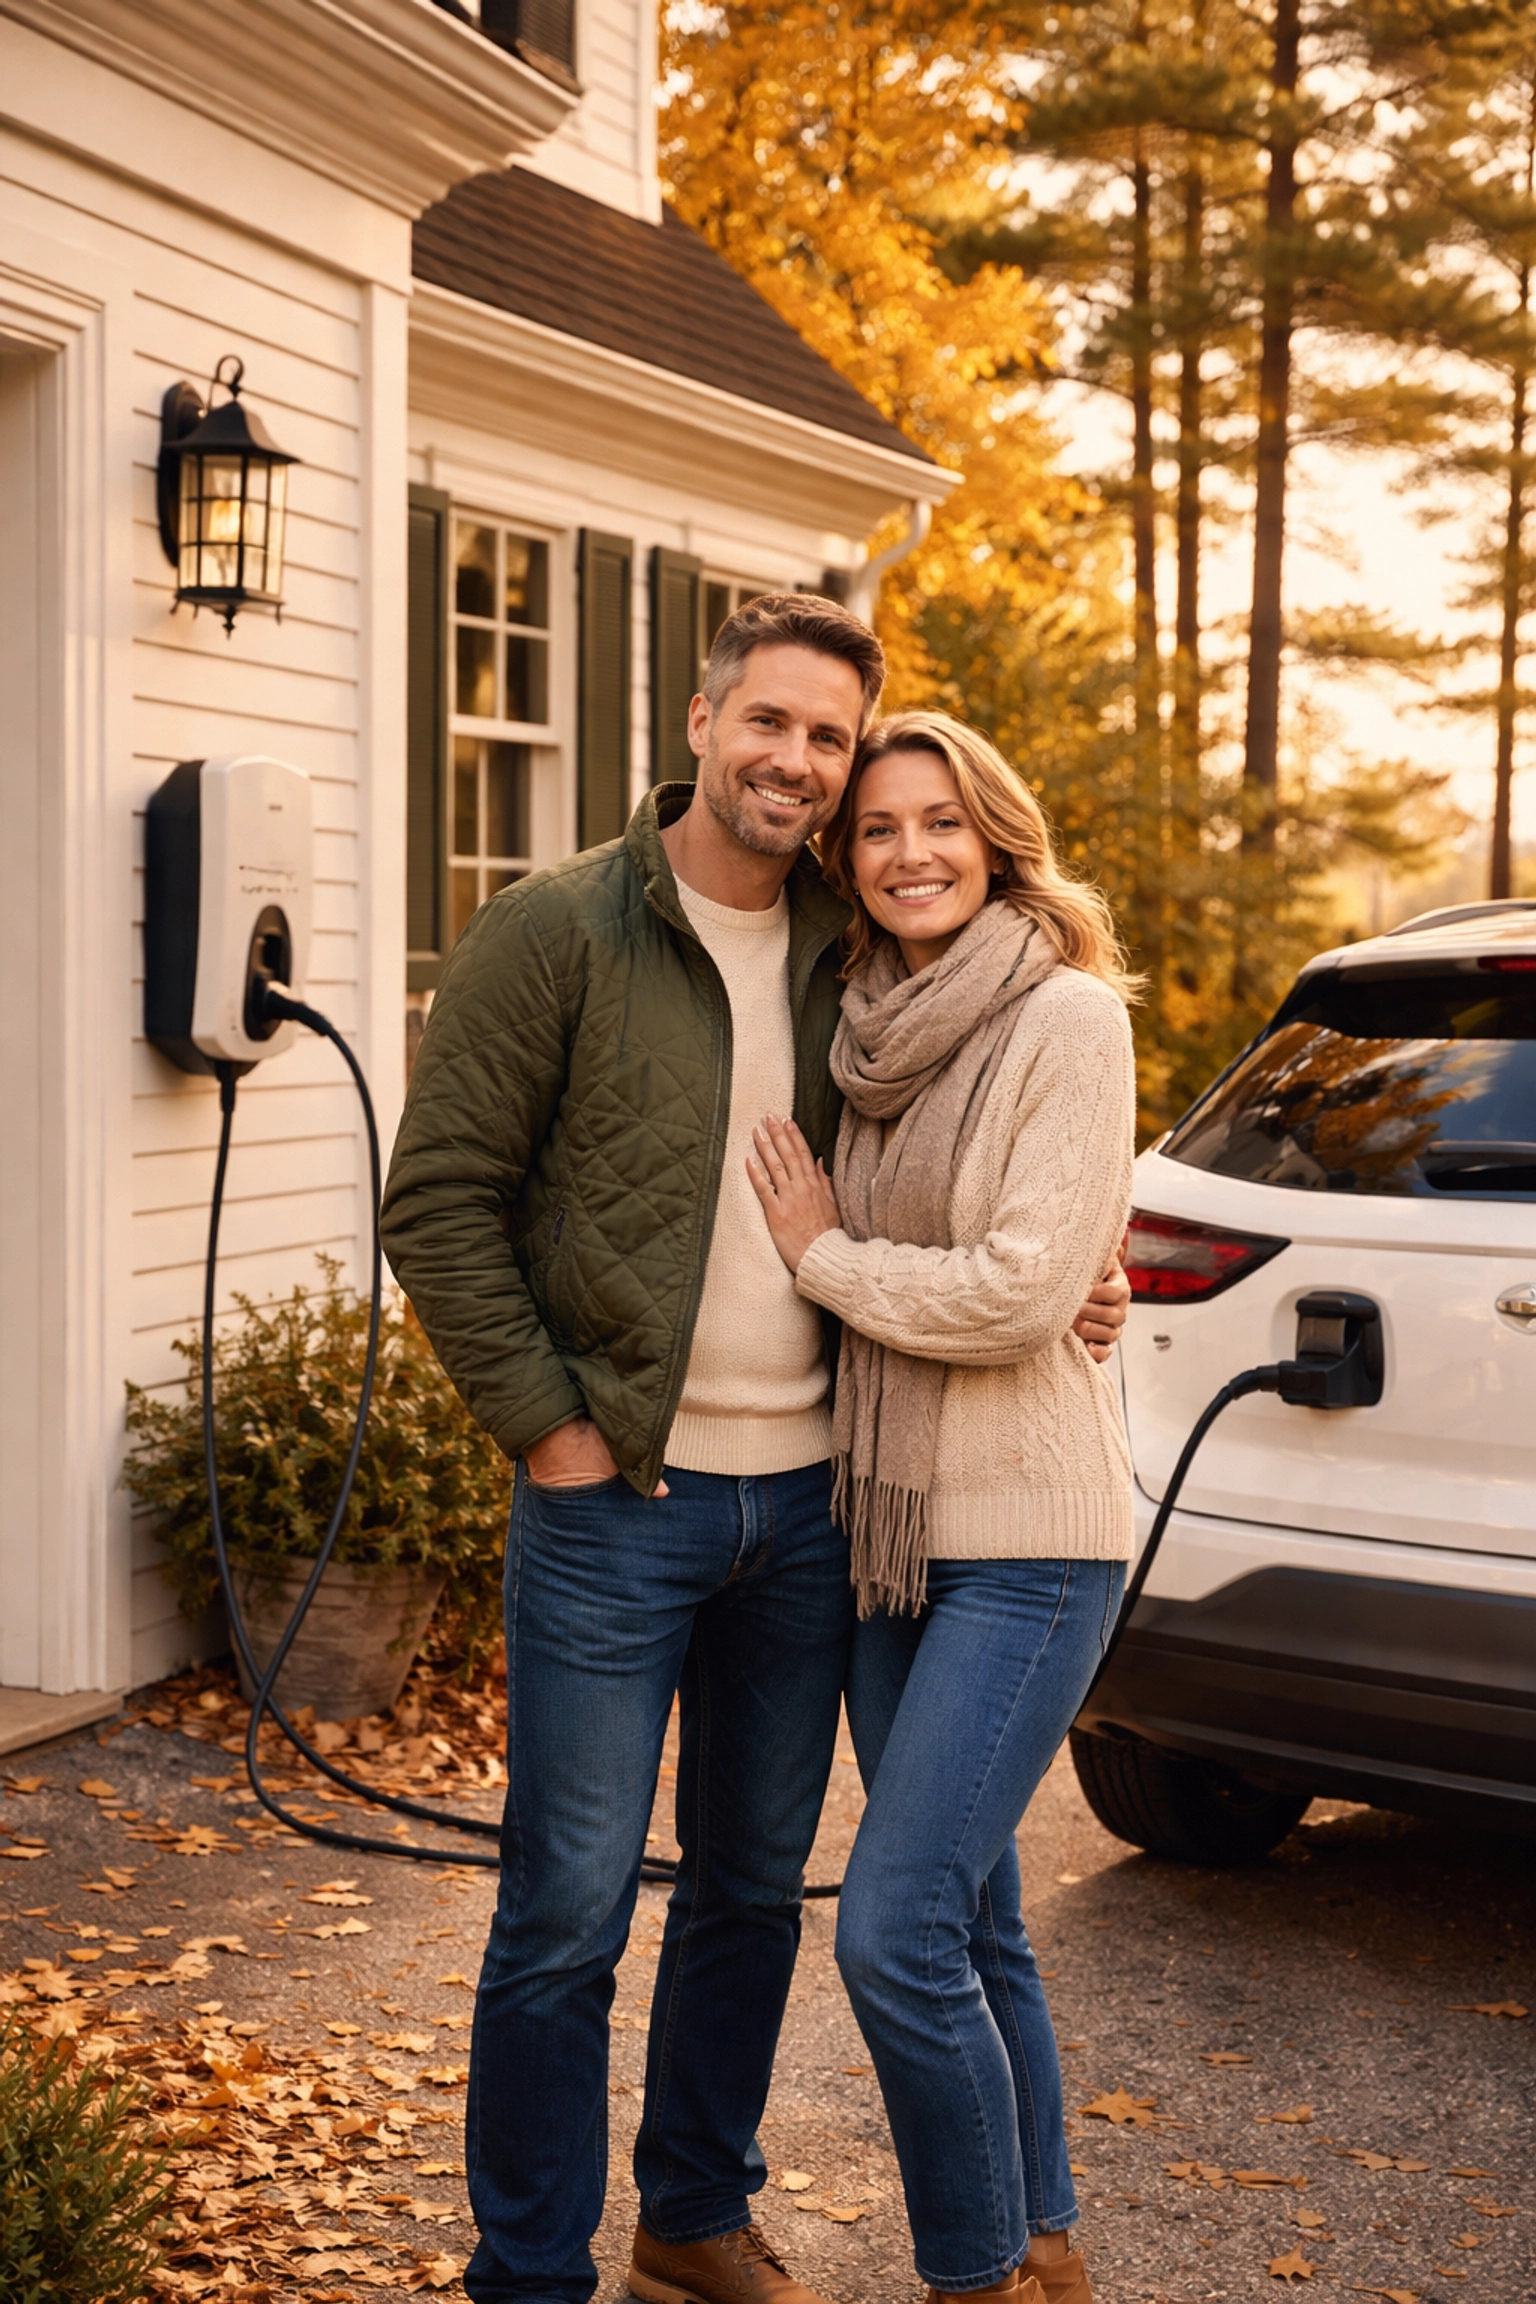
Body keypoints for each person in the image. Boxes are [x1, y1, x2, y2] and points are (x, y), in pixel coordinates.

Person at [379, 600, 1128, 2304]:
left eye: (831, 741)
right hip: (616, 1502)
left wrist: (1090, 1282)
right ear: (706, 719)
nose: (800, 763)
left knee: (748, 1899)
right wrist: (549, 1432)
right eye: (771, 724)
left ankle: (691, 2218)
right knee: (565, 1910)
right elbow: (438, 1201)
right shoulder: (558, 927)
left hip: (814, 1510)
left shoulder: (849, 947)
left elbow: (991, 1151)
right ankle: (528, 2273)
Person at [746, 709, 1138, 2304]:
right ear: (849, 858)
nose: (911, 853)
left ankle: (968, 2275)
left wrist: (824, 1256)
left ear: (997, 836)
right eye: (881, 828)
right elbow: (1024, 1282)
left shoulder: (1066, 1018)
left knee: (891, 1934)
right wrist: (1046, 1291)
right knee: (977, 1931)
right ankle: (1042, 2246)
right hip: (888, 1532)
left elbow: (1019, 1289)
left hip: (1031, 1547)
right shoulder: (861, 1024)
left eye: (941, 823)